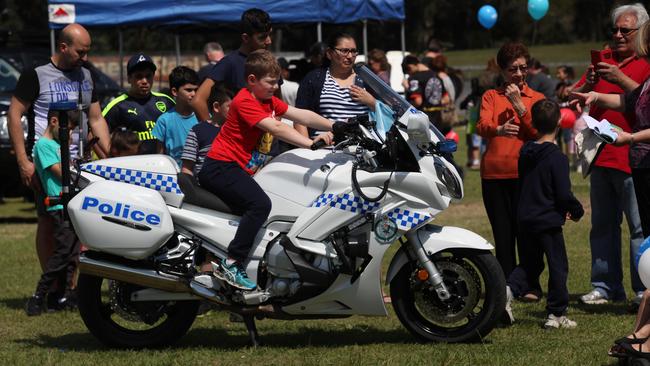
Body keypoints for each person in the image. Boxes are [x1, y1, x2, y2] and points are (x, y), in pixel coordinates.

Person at [195, 50, 334, 290]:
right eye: (270, 82)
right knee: (260, 205)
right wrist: (311, 143)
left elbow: (300, 114)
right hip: (220, 166)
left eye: (277, 81)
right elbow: (276, 128)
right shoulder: (244, 100)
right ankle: (232, 263)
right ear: (252, 81)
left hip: (233, 168)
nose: (275, 86)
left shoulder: (267, 101)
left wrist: (336, 125)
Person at [8, 23, 110, 310]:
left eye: (88, 52)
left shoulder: (86, 75)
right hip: (46, 162)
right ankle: (53, 288)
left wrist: (108, 154)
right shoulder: (36, 74)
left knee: (82, 225)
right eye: (80, 51)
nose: (85, 58)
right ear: (63, 47)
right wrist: (23, 160)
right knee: (50, 223)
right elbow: (14, 115)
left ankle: (73, 288)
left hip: (81, 163)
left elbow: (95, 117)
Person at [571, 3, 650, 307]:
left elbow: (639, 100)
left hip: (635, 156)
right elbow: (574, 95)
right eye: (615, 29)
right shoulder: (604, 60)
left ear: (641, 30)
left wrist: (618, 78)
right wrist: (588, 85)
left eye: (625, 30)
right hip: (601, 154)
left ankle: (643, 289)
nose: (618, 35)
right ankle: (604, 286)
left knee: (639, 228)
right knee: (602, 225)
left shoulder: (645, 62)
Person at [504, 99, 584, 328]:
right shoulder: (557, 157)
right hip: (547, 220)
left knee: (530, 264)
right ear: (560, 121)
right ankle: (556, 314)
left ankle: (506, 293)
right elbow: (562, 193)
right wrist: (575, 210)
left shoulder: (526, 151)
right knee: (558, 265)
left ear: (535, 124)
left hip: (525, 217)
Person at [476, 42, 545, 283]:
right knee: (503, 235)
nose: (518, 74)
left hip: (525, 174)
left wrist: (520, 107)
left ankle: (529, 283)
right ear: (502, 71)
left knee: (528, 232)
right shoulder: (491, 96)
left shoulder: (537, 98)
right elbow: (482, 126)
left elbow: (539, 133)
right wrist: (498, 129)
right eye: (513, 69)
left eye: (523, 68)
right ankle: (506, 285)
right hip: (494, 175)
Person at [25, 109, 82, 316]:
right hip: (57, 205)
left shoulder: (58, 145)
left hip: (69, 204)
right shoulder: (43, 146)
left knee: (73, 252)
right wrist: (77, 170)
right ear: (54, 121)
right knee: (63, 251)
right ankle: (39, 295)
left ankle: (64, 295)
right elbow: (60, 173)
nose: (70, 134)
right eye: (68, 128)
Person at [191, 8, 273, 122]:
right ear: (245, 38)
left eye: (270, 34)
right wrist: (211, 132)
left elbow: (278, 102)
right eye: (262, 37)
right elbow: (198, 101)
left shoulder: (271, 62)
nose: (269, 41)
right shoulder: (229, 63)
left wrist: (272, 133)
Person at [295, 32, 376, 138]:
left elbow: (392, 111)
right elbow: (300, 119)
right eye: (344, 51)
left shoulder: (367, 78)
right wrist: (308, 148)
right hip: (324, 149)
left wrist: (372, 102)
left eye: (353, 51)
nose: (350, 56)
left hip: (364, 149)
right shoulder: (313, 79)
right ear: (329, 53)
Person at [102, 53, 175, 154]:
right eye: (139, 76)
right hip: (133, 167)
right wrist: (109, 160)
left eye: (148, 76)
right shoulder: (117, 106)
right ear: (129, 78)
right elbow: (95, 134)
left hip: (163, 165)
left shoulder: (167, 101)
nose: (144, 81)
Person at [152, 66, 199, 167]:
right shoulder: (164, 121)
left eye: (196, 90)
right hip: (175, 176)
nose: (194, 94)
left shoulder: (204, 116)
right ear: (174, 91)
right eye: (189, 90)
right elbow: (160, 155)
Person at [181, 86, 233, 177]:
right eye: (230, 107)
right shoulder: (198, 131)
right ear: (216, 107)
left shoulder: (238, 131)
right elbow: (187, 169)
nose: (235, 111)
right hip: (203, 189)